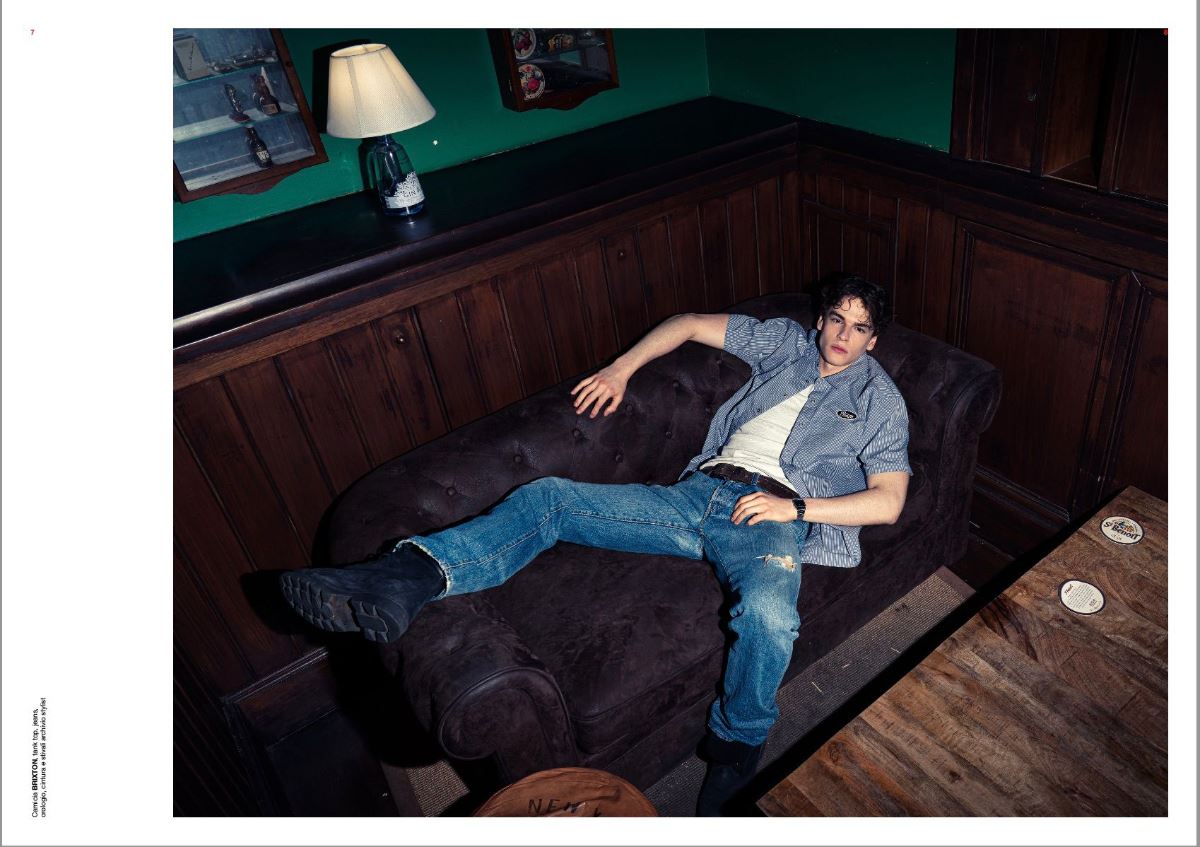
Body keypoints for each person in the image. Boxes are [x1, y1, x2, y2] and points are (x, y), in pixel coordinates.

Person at [279, 274, 911, 816]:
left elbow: (888, 501)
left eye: (858, 328)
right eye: (836, 319)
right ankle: (405, 577)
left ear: (873, 339)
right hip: (697, 492)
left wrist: (793, 508)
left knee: (770, 616)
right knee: (550, 496)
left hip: (770, 517)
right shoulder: (784, 342)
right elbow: (688, 324)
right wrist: (620, 369)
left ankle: (736, 747)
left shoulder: (879, 401)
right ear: (820, 319)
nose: (842, 335)